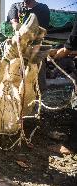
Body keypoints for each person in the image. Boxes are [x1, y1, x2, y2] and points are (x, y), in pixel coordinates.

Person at [49, 21, 77, 154]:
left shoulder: (65, 57)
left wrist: (62, 52)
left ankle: (72, 145)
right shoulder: (71, 61)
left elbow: (69, 46)